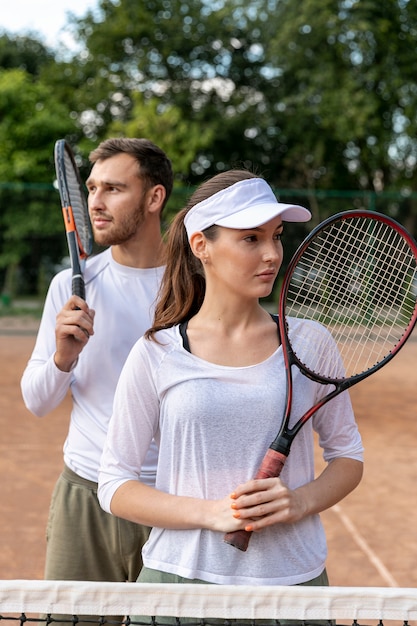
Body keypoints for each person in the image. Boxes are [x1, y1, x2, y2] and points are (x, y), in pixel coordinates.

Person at [98, 170, 363, 598]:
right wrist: (210, 513)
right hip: (178, 585)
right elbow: (114, 484)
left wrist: (300, 502)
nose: (272, 254)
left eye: (276, 236)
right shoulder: (157, 351)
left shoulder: (310, 342)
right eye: (250, 239)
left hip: (292, 587)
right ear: (201, 245)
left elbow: (348, 456)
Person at [21, 138, 173, 592]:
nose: (96, 203)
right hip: (85, 493)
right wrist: (63, 358)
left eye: (113, 189)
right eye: (90, 189)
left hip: (170, 499)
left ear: (154, 197)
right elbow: (37, 401)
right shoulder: (69, 288)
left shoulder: (197, 288)